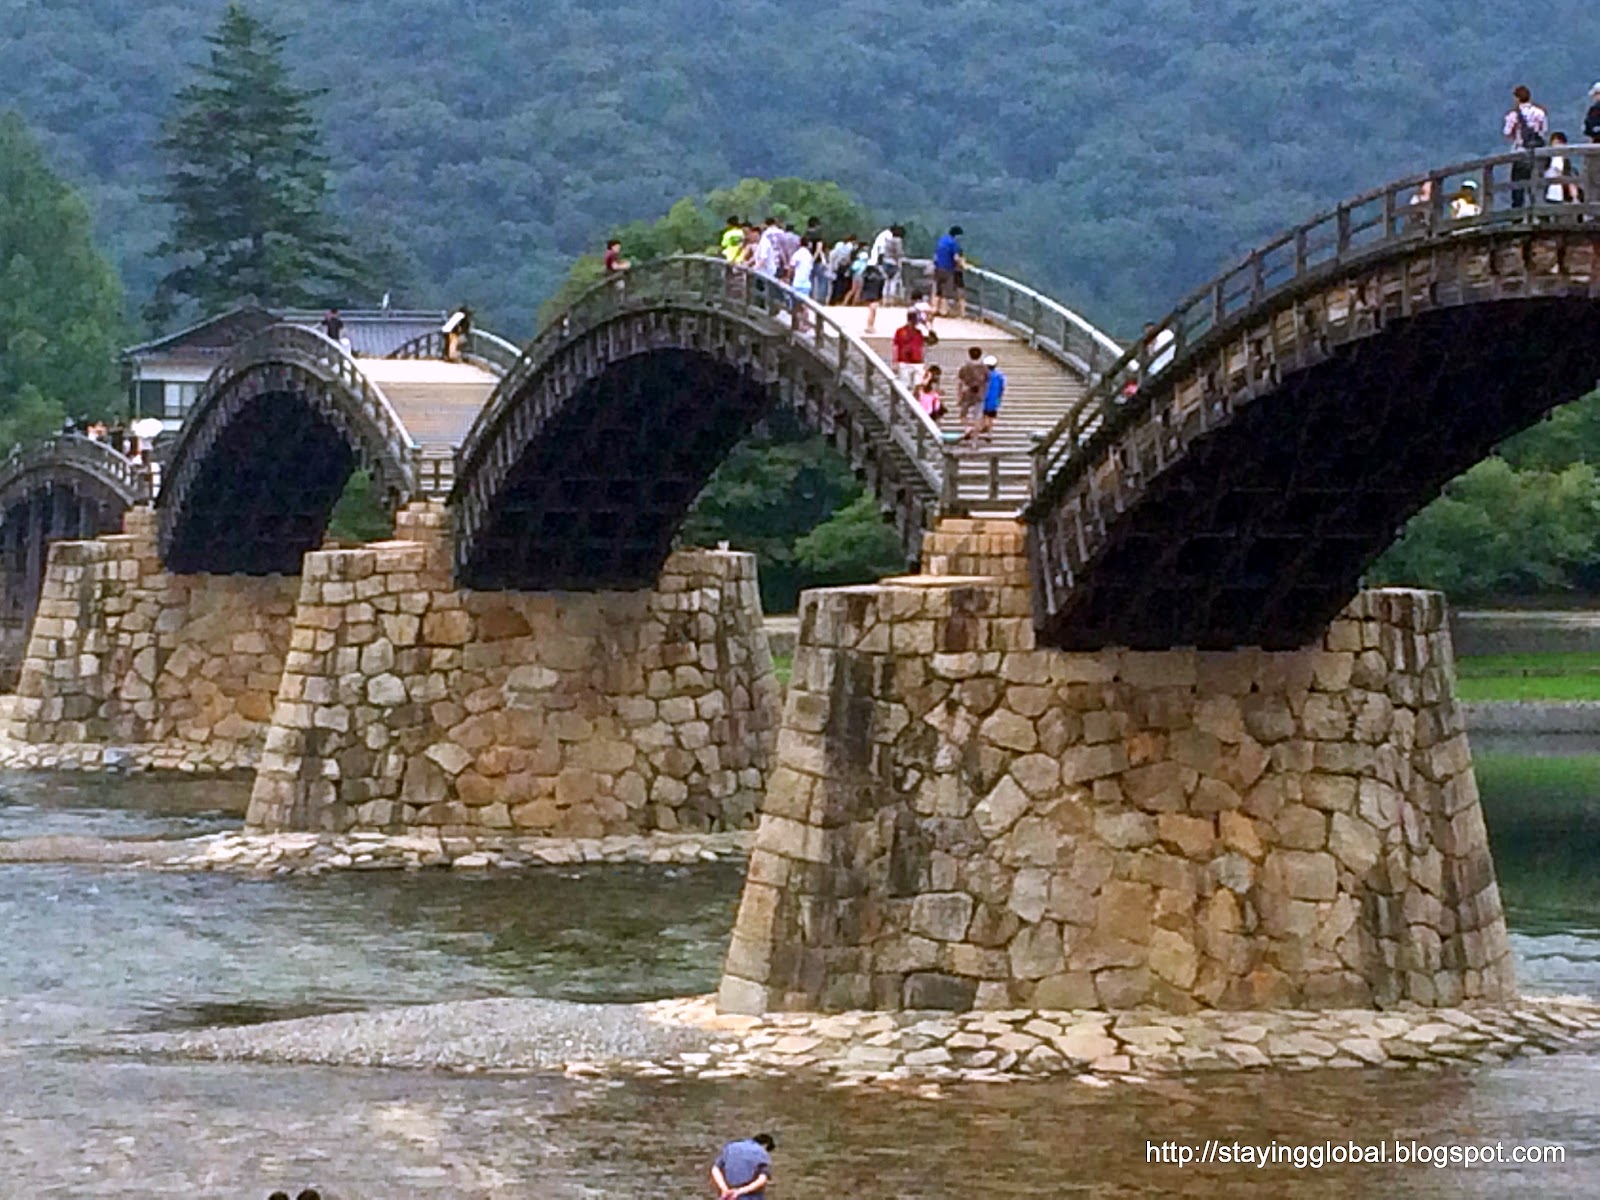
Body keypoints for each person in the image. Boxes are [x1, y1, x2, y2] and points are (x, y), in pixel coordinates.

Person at [1504, 85, 1548, 209]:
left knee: (1518, 184)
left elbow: (1507, 133)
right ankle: (1538, 209)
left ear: (1517, 98)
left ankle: (1518, 212)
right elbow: (1543, 130)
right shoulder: (1539, 112)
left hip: (1520, 152)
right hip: (1538, 152)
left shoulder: (1513, 115)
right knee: (1537, 182)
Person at [712, 1133, 775, 1200]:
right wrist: (739, 1191)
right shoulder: (761, 1152)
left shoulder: (731, 1147)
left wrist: (724, 1189)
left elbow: (715, 1169)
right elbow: (762, 1179)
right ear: (765, 1145)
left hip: (727, 1195)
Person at [933, 225, 966, 317]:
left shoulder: (942, 240)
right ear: (957, 235)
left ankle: (935, 308)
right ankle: (944, 311)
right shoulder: (953, 243)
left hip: (938, 267)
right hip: (948, 269)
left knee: (938, 290)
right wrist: (962, 264)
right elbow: (955, 257)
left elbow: (935, 255)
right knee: (947, 291)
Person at [869, 223, 906, 304]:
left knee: (886, 282)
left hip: (886, 262)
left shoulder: (887, 240)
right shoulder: (899, 241)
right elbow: (899, 253)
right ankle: (891, 300)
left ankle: (885, 300)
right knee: (893, 282)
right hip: (894, 264)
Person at [956, 346, 989, 434]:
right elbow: (987, 380)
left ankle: (967, 428)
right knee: (977, 416)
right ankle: (975, 434)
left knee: (963, 414)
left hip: (967, 393)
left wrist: (959, 394)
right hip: (979, 394)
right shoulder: (984, 368)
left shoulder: (965, 368)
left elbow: (960, 382)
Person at [891, 309, 925, 389]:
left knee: (918, 385)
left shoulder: (919, 332)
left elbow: (923, 346)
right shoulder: (900, 331)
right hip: (904, 362)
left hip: (918, 362)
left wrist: (923, 362)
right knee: (904, 385)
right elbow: (895, 346)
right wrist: (894, 362)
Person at [977, 354, 1005, 442]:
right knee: (991, 417)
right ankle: (989, 434)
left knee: (984, 415)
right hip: (995, 399)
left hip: (984, 399)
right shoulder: (999, 376)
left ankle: (985, 427)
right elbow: (1002, 388)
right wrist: (999, 399)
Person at [1546, 132, 1579, 203]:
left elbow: (1567, 173)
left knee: (1572, 176)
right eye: (1556, 143)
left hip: (1563, 184)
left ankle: (1575, 198)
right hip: (1550, 183)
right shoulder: (1548, 158)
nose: (1558, 146)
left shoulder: (1565, 159)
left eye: (1560, 143)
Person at [859, 256, 886, 332]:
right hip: (875, 295)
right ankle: (870, 326)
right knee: (873, 311)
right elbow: (881, 287)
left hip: (867, 295)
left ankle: (870, 326)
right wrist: (880, 297)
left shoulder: (865, 275)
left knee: (872, 311)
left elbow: (863, 286)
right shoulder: (879, 276)